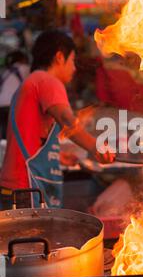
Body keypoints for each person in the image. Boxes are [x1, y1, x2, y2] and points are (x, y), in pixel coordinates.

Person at [0, 30, 114, 210]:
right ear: (60, 57)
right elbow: (67, 122)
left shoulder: (32, 82)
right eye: (72, 61)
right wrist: (96, 147)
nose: (74, 68)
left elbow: (30, 137)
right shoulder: (48, 81)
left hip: (14, 187)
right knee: (33, 238)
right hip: (25, 189)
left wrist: (56, 157)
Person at [0, 50, 30, 139]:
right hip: (13, 104)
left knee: (4, 131)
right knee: (14, 132)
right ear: (23, 59)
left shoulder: (6, 72)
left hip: (1, 104)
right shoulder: (24, 68)